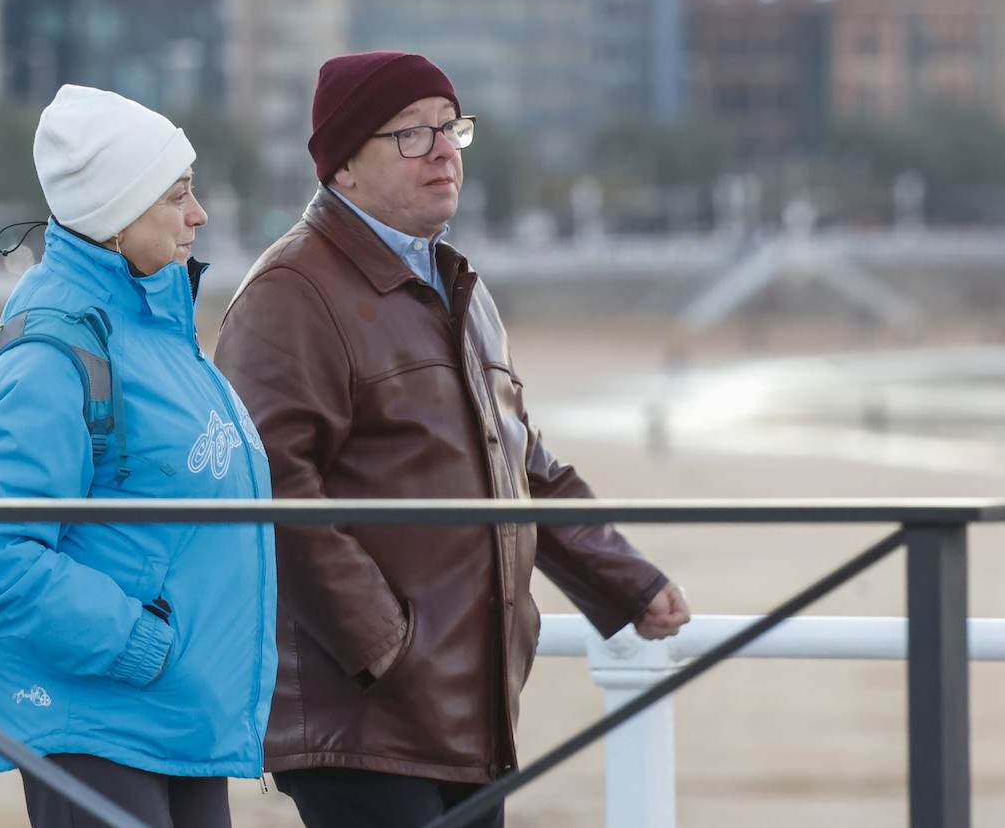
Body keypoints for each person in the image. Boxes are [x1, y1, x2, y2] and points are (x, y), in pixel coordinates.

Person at [213, 51, 690, 828]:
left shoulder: (456, 286)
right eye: (412, 134)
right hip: (365, 721)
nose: (443, 150)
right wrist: (387, 649)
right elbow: (271, 486)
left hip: (465, 710)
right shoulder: (293, 291)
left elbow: (519, 466)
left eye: (450, 128)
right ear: (345, 164)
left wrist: (625, 581)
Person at [0, 85, 277, 828]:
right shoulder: (53, 354)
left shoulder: (158, 322)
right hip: (99, 721)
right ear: (115, 214)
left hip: (173, 718)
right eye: (178, 196)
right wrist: (141, 646)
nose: (198, 215)